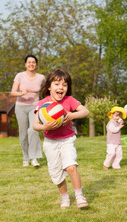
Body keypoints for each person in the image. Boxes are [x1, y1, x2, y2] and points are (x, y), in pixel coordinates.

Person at [33, 69, 89, 209]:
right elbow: (35, 125)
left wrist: (71, 115)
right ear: (49, 87)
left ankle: (80, 196)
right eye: (57, 84)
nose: (61, 88)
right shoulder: (42, 104)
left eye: (64, 85)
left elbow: (85, 111)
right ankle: (65, 198)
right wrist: (44, 126)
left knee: (71, 166)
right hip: (50, 142)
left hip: (67, 140)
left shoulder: (69, 100)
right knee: (56, 173)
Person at [10, 54, 46, 167]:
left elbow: (45, 91)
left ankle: (34, 158)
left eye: (33, 62)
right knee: (23, 134)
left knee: (33, 130)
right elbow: (13, 92)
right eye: (29, 62)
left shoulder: (41, 78)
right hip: (20, 107)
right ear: (25, 64)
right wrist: (20, 93)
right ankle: (26, 157)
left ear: (36, 64)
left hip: (34, 106)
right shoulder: (20, 76)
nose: (31, 64)